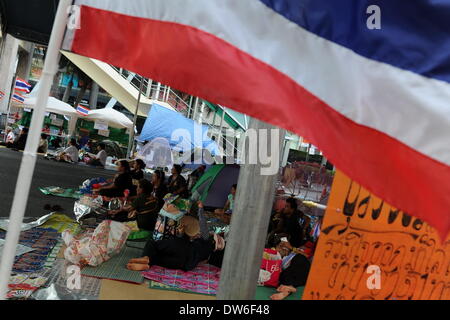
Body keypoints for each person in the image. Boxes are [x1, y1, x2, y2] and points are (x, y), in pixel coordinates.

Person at [126, 201, 226, 272]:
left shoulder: (207, 238)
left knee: (153, 244)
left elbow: (203, 224)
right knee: (157, 257)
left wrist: (200, 209)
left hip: (183, 248)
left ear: (214, 240)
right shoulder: (208, 256)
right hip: (184, 264)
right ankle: (148, 263)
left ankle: (146, 258)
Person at [266, 235, 311, 300]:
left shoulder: (295, 252)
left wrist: (291, 248)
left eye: (285, 246)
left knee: (299, 259)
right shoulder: (274, 255)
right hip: (291, 275)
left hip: (301, 266)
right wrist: (278, 253)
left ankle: (288, 288)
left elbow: (307, 257)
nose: (283, 248)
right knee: (283, 275)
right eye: (280, 246)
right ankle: (287, 290)